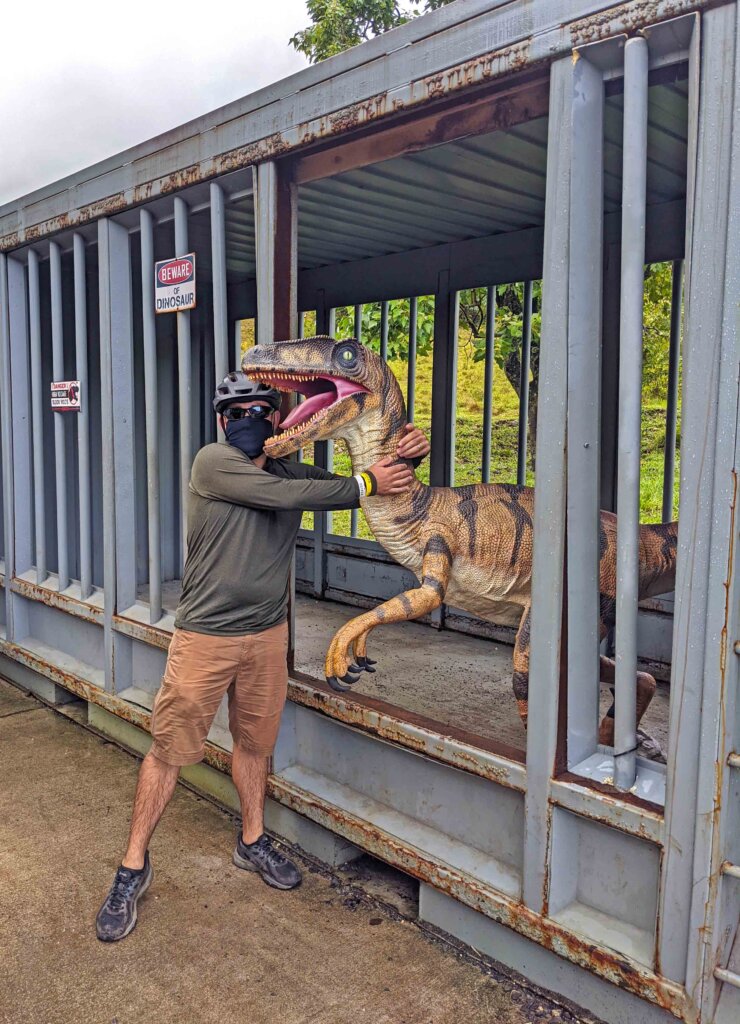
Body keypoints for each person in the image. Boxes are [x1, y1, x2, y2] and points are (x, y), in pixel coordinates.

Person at [96, 370, 430, 942]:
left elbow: (345, 489)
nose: (248, 420)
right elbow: (304, 494)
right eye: (237, 412)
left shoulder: (288, 469)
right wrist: (365, 483)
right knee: (171, 749)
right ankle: (132, 867)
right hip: (205, 637)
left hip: (266, 636)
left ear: (278, 420)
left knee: (254, 746)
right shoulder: (212, 464)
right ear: (222, 422)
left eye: (261, 410)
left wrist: (405, 458)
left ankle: (252, 841)